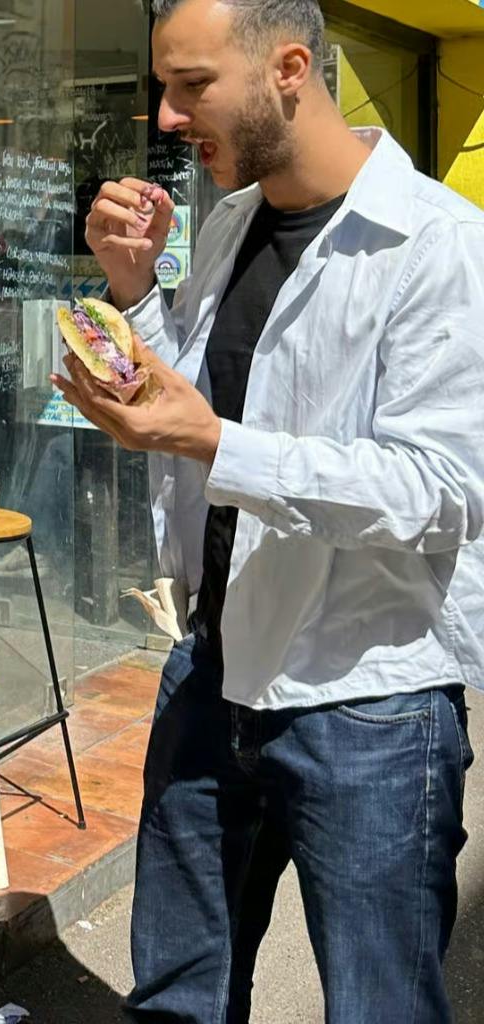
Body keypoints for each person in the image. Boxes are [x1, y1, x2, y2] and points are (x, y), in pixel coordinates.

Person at [56, 2, 484, 1020]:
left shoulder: (439, 246)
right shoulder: (229, 222)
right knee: (176, 993)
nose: (165, 114)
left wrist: (212, 441)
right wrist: (135, 293)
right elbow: (201, 395)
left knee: (376, 1004)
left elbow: (441, 490)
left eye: (191, 84)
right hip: (213, 664)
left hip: (368, 698)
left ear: (290, 67)